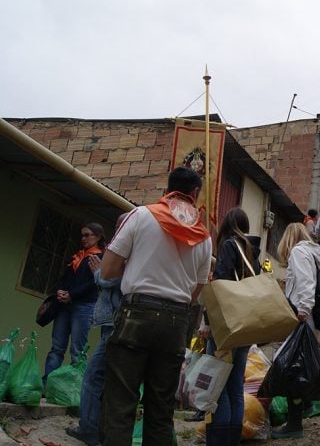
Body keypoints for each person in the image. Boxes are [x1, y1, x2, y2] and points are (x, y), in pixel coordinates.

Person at [100, 167, 213, 445]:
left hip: (135, 316)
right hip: (175, 322)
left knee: (120, 404)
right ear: (195, 194)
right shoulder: (204, 236)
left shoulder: (141, 215)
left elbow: (107, 270)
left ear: (167, 189)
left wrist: (138, 265)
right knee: (161, 411)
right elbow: (196, 291)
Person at [66, 214, 128, 446]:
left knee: (93, 376)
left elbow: (110, 279)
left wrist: (99, 274)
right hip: (112, 320)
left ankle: (90, 430)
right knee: (105, 378)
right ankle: (99, 429)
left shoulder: (125, 246)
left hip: (116, 321)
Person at [202, 207, 261, 445]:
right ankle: (232, 440)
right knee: (235, 386)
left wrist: (208, 321)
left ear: (227, 225)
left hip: (226, 325)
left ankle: (219, 440)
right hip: (245, 325)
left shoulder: (229, 246)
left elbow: (221, 286)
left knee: (218, 386)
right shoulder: (252, 252)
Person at [272, 222, 320, 439]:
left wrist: (302, 310)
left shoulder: (298, 251)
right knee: (300, 368)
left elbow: (305, 284)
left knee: (293, 369)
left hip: (300, 316)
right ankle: (306, 406)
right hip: (306, 316)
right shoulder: (311, 253)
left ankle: (294, 425)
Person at [43, 222, 104, 383]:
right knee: (57, 347)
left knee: (77, 349)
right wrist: (60, 291)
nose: (83, 238)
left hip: (84, 306)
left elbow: (93, 284)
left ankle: (72, 386)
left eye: (87, 235)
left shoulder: (99, 257)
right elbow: (64, 278)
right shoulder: (78, 256)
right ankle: (47, 383)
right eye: (82, 235)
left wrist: (72, 295)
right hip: (64, 305)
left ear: (97, 237)